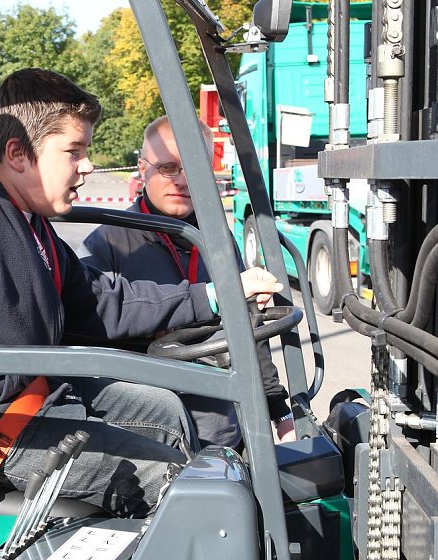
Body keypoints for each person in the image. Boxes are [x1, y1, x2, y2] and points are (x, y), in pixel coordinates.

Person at [0, 69, 282, 517]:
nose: (87, 166)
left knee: (167, 412)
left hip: (36, 397)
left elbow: (103, 303)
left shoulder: (31, 225)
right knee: (173, 486)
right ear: (18, 154)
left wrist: (212, 296)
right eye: (74, 151)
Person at [78, 115, 295, 447]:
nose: (181, 181)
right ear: (142, 167)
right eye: (168, 168)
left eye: (193, 168)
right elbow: (95, 338)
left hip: (225, 428)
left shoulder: (218, 240)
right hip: (149, 435)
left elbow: (250, 328)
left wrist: (279, 410)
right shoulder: (107, 244)